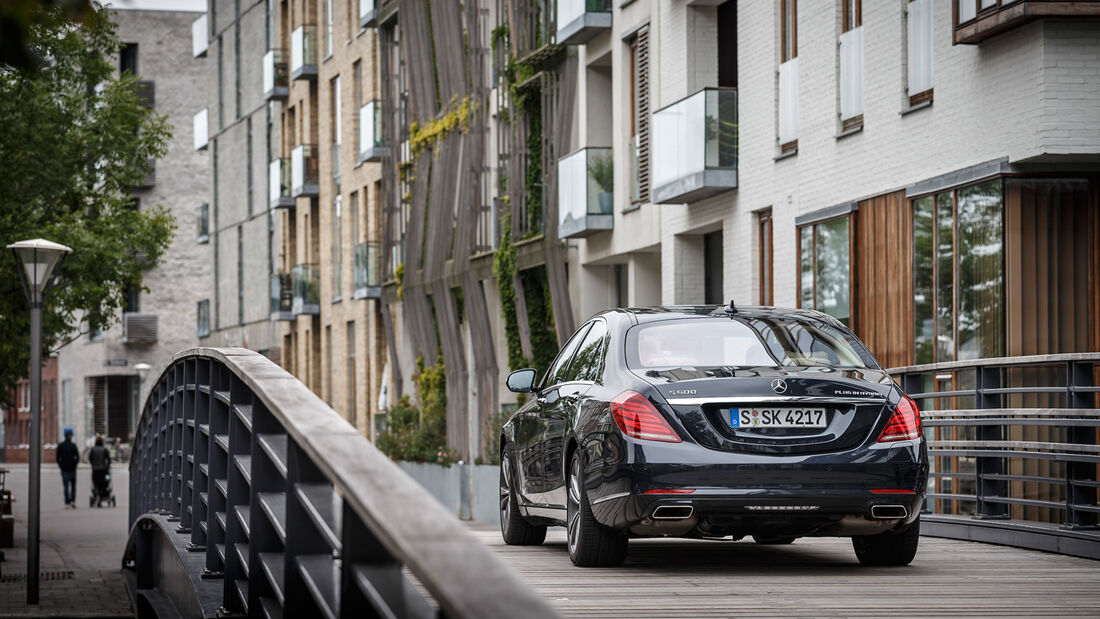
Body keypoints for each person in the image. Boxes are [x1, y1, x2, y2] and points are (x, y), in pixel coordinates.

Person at [56, 429, 80, 508]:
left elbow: (57, 458)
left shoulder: (61, 445)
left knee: (66, 487)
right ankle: (73, 501)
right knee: (73, 486)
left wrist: (61, 466)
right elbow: (77, 457)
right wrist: (74, 465)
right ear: (70, 436)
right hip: (72, 469)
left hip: (64, 469)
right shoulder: (73, 445)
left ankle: (67, 502)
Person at [88, 435, 111, 507]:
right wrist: (107, 466)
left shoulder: (93, 449)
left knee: (96, 484)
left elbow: (90, 458)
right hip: (103, 470)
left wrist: (93, 465)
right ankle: (101, 497)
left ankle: (97, 494)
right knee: (104, 484)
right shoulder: (104, 449)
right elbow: (109, 459)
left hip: (95, 470)